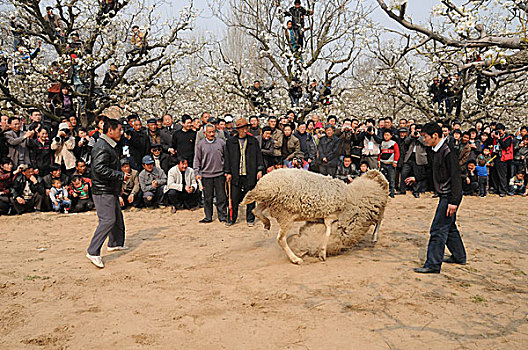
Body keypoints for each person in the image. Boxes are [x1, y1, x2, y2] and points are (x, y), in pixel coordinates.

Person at [405, 122, 465, 274]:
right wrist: (416, 178)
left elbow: (456, 178)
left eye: (425, 137)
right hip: (444, 195)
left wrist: (453, 201)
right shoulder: (434, 150)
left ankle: (433, 264)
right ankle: (459, 256)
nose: (424, 140)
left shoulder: (448, 151)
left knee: (438, 229)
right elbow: (431, 171)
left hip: (449, 196)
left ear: (435, 136)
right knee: (449, 227)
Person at [87, 118, 130, 269]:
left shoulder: (110, 145)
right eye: (119, 130)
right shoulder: (102, 146)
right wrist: (120, 176)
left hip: (111, 188)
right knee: (107, 219)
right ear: (110, 130)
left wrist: (119, 186)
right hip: (102, 189)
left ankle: (115, 243)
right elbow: (98, 168)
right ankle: (93, 251)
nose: (121, 132)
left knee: (117, 217)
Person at [224, 118, 264, 226]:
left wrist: (260, 169)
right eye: (242, 129)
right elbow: (227, 158)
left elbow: (259, 156)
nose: (245, 130)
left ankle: (250, 219)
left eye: (246, 128)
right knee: (234, 197)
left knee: (250, 197)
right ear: (238, 130)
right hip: (236, 173)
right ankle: (231, 218)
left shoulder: (253, 141)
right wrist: (227, 172)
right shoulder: (230, 142)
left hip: (249, 173)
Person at [194, 124, 227, 223]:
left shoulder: (221, 143)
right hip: (206, 175)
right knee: (208, 198)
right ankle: (208, 216)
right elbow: (197, 159)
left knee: (221, 197)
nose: (212, 134)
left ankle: (222, 216)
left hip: (219, 174)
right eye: (209, 132)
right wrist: (196, 172)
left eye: (213, 132)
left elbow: (226, 157)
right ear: (205, 133)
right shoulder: (200, 144)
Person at [378, 130, 400, 197]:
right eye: (385, 135)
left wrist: (395, 161)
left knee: (391, 178)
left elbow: (397, 153)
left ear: (391, 136)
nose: (386, 136)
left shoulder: (393, 143)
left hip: (391, 163)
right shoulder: (382, 143)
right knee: (383, 177)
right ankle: (384, 191)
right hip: (383, 162)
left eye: (388, 135)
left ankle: (392, 191)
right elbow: (380, 153)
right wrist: (378, 161)